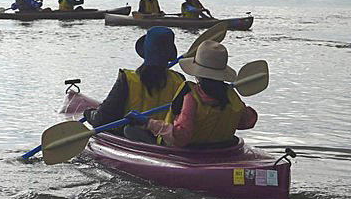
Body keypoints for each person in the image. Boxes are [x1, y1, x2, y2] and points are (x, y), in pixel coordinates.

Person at [125, 41, 257, 148]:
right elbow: (248, 121)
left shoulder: (191, 96)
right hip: (222, 148)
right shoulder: (231, 95)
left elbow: (180, 137)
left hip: (190, 151)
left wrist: (148, 122)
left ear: (198, 73)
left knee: (129, 130)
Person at [85, 27, 185, 136]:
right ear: (169, 54)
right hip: (167, 141)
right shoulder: (180, 80)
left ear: (145, 51)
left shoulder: (127, 79)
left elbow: (101, 120)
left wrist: (88, 113)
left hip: (135, 139)